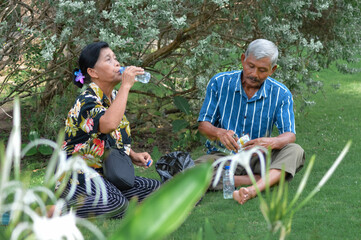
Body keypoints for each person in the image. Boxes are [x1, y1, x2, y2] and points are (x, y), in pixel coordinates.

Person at [196, 39, 305, 204]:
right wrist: (219, 132)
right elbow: (203, 125)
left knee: (295, 151)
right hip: (223, 157)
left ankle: (251, 190)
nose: (254, 74)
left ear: (272, 70)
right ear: (242, 59)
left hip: (258, 158)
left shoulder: (281, 94)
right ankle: (256, 180)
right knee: (190, 173)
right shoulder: (219, 82)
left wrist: (273, 141)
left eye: (262, 70)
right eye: (251, 66)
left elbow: (289, 135)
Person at [61, 41, 160, 218]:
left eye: (115, 58)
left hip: (105, 174)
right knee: (115, 203)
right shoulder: (86, 101)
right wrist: (126, 86)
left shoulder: (113, 97)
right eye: (108, 59)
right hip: (79, 176)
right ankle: (57, 208)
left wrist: (133, 154)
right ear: (93, 72)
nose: (117, 63)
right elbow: (108, 124)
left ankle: (109, 199)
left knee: (156, 189)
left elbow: (109, 137)